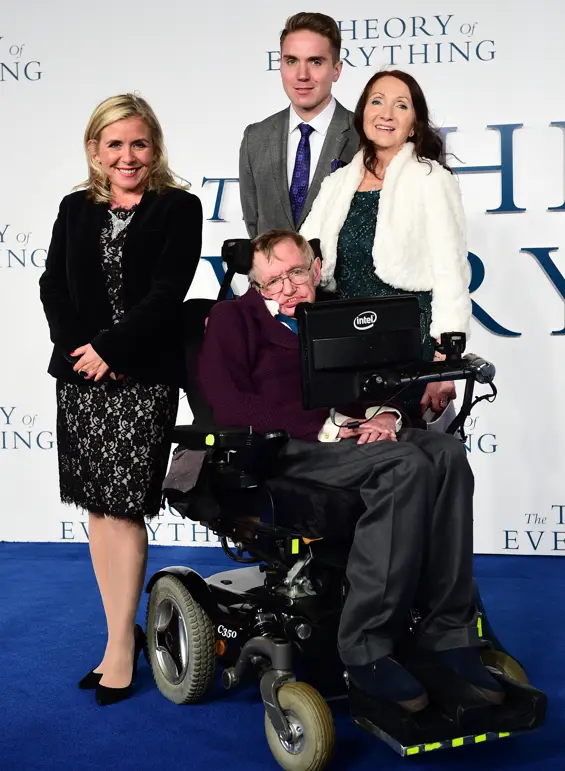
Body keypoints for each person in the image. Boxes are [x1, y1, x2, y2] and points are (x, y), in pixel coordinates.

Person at [197, 230, 504, 718]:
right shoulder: (235, 320)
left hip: (359, 436)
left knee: (446, 453)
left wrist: (388, 414)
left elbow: (386, 379)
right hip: (290, 447)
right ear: (255, 286)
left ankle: (450, 635)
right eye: (273, 281)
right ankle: (364, 647)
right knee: (405, 465)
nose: (289, 288)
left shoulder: (342, 315)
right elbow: (228, 402)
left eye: (297, 273)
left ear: (316, 269)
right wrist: (327, 426)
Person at [39, 94, 203, 706]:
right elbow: (52, 285)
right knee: (97, 509)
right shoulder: (73, 209)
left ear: (154, 148)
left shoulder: (178, 208)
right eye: (114, 145)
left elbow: (168, 293)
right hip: (81, 377)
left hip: (143, 376)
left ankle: (118, 650)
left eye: (139, 143)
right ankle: (119, 635)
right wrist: (83, 350)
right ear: (94, 151)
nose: (127, 156)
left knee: (125, 508)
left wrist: (113, 349)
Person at [301, 69, 471, 420]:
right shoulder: (336, 184)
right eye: (377, 101)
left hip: (410, 343)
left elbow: (451, 274)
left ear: (414, 124)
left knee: (402, 452)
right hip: (345, 346)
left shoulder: (431, 180)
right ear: (363, 112)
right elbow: (302, 257)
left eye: (401, 105)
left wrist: (443, 367)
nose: (386, 113)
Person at [239, 12, 358, 237]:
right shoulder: (255, 138)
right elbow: (256, 231)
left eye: (315, 61)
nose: (302, 75)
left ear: (336, 70)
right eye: (291, 61)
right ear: (281, 65)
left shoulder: (363, 136)